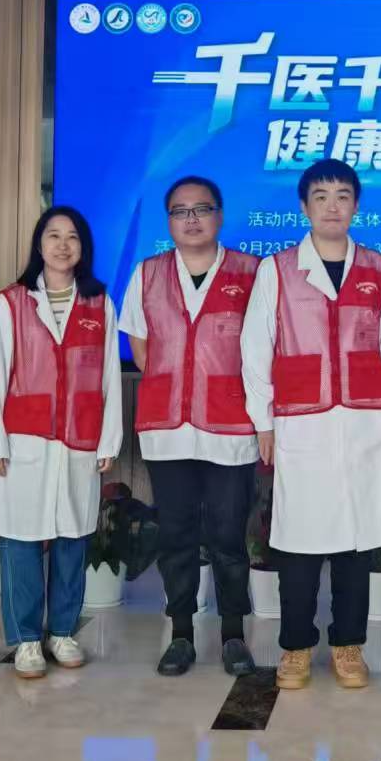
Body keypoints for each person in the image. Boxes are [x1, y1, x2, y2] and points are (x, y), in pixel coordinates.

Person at [240, 158, 381, 691]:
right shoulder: (278, 269)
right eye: (321, 197)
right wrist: (263, 421)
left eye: (343, 196)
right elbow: (256, 347)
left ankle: (349, 645)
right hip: (301, 421)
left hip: (365, 420)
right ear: (304, 207)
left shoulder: (378, 268)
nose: (333, 207)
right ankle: (295, 647)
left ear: (356, 206)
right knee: (299, 539)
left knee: (358, 538)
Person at [120, 176, 260, 678]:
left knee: (228, 534)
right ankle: (180, 634)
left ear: (220, 215)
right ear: (169, 222)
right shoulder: (148, 273)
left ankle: (233, 635)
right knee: (176, 534)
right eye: (180, 211)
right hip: (168, 426)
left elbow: (263, 348)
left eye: (202, 209)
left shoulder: (252, 272)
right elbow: (141, 348)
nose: (192, 219)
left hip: (232, 424)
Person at [0, 205, 124, 679]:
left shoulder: (99, 302)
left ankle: (62, 631)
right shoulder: (13, 301)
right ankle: (26, 639)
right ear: (39, 245)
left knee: (72, 537)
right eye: (53, 236)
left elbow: (108, 375)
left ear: (84, 247)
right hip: (24, 437)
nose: (63, 245)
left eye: (72, 237)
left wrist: (108, 439)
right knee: (20, 539)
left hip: (79, 437)